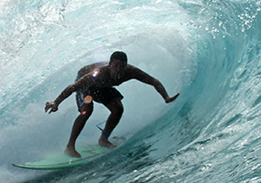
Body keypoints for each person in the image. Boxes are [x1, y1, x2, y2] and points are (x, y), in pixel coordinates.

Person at [44, 51, 179, 158]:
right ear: (110, 65)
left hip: (102, 87)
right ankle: (70, 147)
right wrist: (56, 102)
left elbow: (153, 81)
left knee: (118, 109)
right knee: (87, 110)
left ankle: (103, 139)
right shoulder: (98, 74)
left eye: (122, 66)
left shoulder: (130, 72)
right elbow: (73, 87)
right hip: (85, 83)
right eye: (116, 66)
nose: (119, 69)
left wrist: (165, 97)